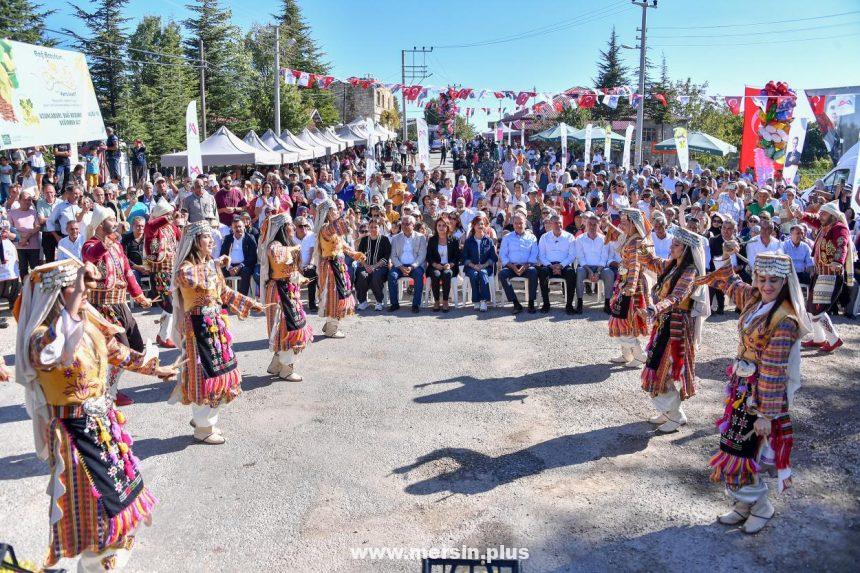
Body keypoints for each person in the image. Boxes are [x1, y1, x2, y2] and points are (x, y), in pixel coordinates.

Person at [11, 258, 176, 572]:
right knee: (100, 515)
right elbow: (55, 352)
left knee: (123, 503)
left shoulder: (86, 323)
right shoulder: (41, 338)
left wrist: (155, 368)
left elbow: (117, 351)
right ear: (57, 294)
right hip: (74, 438)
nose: (85, 292)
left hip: (104, 429)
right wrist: (73, 302)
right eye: (75, 287)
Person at [697, 251, 810, 534]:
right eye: (761, 279)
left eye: (774, 280)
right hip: (742, 388)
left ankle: (761, 506)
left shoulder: (785, 320)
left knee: (745, 451)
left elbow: (773, 371)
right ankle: (744, 505)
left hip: (761, 396)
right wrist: (725, 253)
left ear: (785, 282)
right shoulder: (755, 298)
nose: (767, 285)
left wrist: (764, 415)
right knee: (734, 446)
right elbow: (730, 282)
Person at [167, 220, 262, 444]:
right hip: (197, 328)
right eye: (206, 237)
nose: (211, 241)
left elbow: (224, 291)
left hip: (215, 325)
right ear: (195, 242)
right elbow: (183, 278)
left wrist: (248, 303)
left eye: (212, 237)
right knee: (203, 375)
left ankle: (205, 420)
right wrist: (215, 265)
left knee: (219, 373)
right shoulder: (186, 267)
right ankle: (202, 427)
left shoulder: (210, 263)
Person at [636, 227, 710, 433]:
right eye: (673, 244)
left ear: (686, 249)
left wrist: (654, 308)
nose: (671, 247)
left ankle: (676, 416)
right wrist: (642, 246)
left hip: (677, 327)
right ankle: (668, 412)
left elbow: (677, 297)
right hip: (664, 323)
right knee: (655, 366)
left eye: (676, 245)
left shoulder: (690, 271)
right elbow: (652, 263)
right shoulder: (672, 265)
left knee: (664, 370)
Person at [82, 205, 153, 407]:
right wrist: (113, 236)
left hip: (120, 304)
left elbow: (128, 272)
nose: (115, 221)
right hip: (102, 307)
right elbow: (92, 256)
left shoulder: (117, 246)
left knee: (135, 346)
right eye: (111, 219)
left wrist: (139, 295)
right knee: (119, 350)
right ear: (100, 224)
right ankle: (109, 392)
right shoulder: (89, 244)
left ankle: (108, 387)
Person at [259, 214, 313, 381]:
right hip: (278, 293)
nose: (293, 228)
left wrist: (302, 279)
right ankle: (286, 369)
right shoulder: (275, 245)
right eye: (290, 225)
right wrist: (294, 249)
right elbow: (277, 255)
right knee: (285, 329)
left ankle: (277, 364)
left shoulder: (289, 245)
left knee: (291, 327)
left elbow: (292, 271)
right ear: (283, 228)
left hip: (289, 291)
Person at [795, 201, 853, 353]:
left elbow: (842, 245)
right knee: (811, 308)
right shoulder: (825, 225)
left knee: (818, 310)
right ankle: (819, 339)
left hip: (831, 274)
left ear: (833, 216)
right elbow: (813, 219)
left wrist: (838, 261)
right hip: (820, 273)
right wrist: (803, 215)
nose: (820, 216)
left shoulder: (839, 228)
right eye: (820, 213)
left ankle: (833, 340)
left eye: (824, 213)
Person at [603, 208, 650, 365]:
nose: (622, 225)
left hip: (631, 286)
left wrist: (630, 286)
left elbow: (635, 265)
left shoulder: (635, 243)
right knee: (619, 318)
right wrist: (609, 224)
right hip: (624, 283)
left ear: (634, 224)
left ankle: (639, 355)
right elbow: (619, 235)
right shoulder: (630, 238)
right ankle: (627, 355)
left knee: (625, 319)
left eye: (625, 223)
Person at [314, 198, 366, 336]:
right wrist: (348, 218)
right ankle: (331, 329)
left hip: (338, 265)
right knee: (335, 296)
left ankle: (331, 323)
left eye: (337, 209)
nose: (337, 211)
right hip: (331, 267)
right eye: (334, 210)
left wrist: (355, 254)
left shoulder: (331, 229)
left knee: (339, 295)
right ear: (328, 212)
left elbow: (342, 245)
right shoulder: (325, 229)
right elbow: (341, 228)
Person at [144, 198, 181, 348]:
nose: (170, 217)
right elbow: (150, 225)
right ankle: (164, 336)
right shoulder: (153, 228)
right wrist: (169, 217)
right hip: (159, 272)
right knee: (169, 305)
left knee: (172, 304)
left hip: (172, 270)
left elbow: (182, 236)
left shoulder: (171, 228)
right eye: (167, 214)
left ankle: (162, 335)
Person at [574, 213, 614, 314]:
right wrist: (590, 271)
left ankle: (607, 303)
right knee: (579, 271)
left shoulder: (604, 239)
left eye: (595, 224)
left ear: (599, 225)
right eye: (590, 224)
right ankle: (579, 302)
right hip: (585, 267)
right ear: (586, 225)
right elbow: (581, 258)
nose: (592, 226)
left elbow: (604, 258)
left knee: (609, 273)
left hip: (600, 268)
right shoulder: (579, 239)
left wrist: (598, 272)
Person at [499, 212, 538, 314]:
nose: (518, 225)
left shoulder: (532, 237)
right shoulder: (507, 237)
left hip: (527, 266)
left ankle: (531, 303)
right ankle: (516, 303)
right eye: (516, 223)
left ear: (525, 223)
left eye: (521, 223)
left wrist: (525, 266)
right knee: (502, 274)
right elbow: (503, 255)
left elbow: (534, 255)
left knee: (533, 272)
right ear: (513, 224)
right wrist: (512, 266)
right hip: (511, 266)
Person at [537, 214, 577, 313]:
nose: (558, 225)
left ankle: (569, 305)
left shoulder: (569, 237)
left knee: (571, 273)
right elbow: (541, 255)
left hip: (564, 265)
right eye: (555, 223)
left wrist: (561, 265)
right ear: (550, 224)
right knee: (543, 272)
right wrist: (550, 265)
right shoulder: (544, 237)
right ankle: (546, 304)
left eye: (560, 223)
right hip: (549, 265)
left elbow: (572, 255)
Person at [388, 214, 427, 313]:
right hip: (399, 265)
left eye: (407, 224)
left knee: (419, 275)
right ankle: (394, 304)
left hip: (415, 266)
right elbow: (393, 255)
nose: (404, 226)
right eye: (403, 224)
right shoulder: (396, 238)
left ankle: (416, 304)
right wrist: (400, 267)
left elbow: (422, 255)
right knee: (392, 275)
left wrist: (412, 267)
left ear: (413, 225)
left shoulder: (421, 237)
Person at [462, 214, 498, 312]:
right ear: (473, 226)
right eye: (478, 224)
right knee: (474, 275)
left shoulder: (489, 240)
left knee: (482, 273)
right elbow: (464, 257)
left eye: (482, 224)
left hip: (485, 266)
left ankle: (484, 301)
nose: (480, 226)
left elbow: (494, 257)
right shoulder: (468, 241)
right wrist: (473, 266)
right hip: (471, 267)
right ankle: (476, 300)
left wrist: (483, 265)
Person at [355, 218, 391, 311]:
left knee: (376, 275)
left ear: (380, 228)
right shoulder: (364, 240)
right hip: (366, 267)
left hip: (380, 267)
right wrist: (366, 266)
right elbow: (360, 255)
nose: (373, 229)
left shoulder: (384, 239)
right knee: (362, 274)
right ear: (368, 228)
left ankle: (379, 301)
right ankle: (363, 301)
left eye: (376, 227)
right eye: (371, 227)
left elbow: (386, 257)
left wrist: (374, 266)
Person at [426, 216, 461, 312]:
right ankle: (437, 301)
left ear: (447, 227)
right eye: (439, 225)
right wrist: (435, 265)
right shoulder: (432, 240)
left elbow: (457, 256)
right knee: (436, 274)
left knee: (447, 273)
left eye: (443, 225)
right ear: (436, 227)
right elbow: (428, 256)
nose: (441, 227)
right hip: (435, 266)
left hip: (449, 266)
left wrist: (450, 264)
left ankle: (445, 301)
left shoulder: (454, 240)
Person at [219, 216, 258, 296]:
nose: (238, 229)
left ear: (244, 227)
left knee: (246, 271)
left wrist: (240, 266)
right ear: (232, 229)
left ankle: (241, 298)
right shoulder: (228, 238)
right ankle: (224, 301)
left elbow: (252, 257)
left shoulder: (250, 238)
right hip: (229, 266)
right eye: (235, 227)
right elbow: (223, 254)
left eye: (240, 226)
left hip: (243, 266)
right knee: (217, 271)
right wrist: (229, 267)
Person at [8, 188, 41, 277]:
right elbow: (10, 228)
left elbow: (37, 227)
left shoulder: (34, 213)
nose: (27, 202)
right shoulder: (12, 213)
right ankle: (24, 288)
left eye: (29, 200)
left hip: (33, 246)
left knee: (35, 269)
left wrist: (27, 236)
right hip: (19, 246)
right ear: (19, 200)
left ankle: (35, 289)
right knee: (22, 269)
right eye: (25, 199)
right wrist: (21, 238)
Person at [294, 215, 317, 311]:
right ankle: (294, 304)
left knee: (312, 272)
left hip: (308, 266)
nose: (303, 228)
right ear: (295, 227)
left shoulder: (311, 235)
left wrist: (310, 265)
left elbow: (313, 253)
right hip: (294, 266)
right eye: (300, 226)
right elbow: (291, 255)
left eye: (305, 225)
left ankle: (312, 303)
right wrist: (297, 268)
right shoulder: (291, 237)